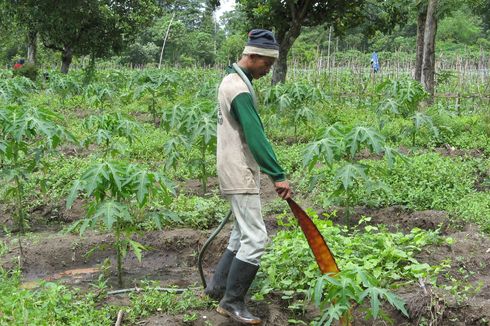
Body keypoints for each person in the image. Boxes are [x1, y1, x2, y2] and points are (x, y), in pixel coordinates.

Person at [205, 29, 292, 325]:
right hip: (239, 169)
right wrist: (277, 175)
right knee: (256, 238)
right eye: (266, 64)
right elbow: (256, 136)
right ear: (252, 56)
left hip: (235, 167)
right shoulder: (239, 89)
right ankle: (232, 302)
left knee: (241, 233)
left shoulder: (233, 80)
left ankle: (217, 288)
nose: (268, 70)